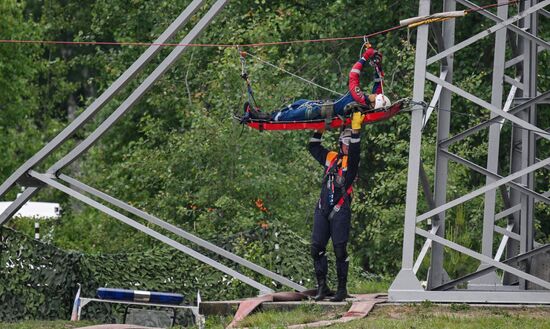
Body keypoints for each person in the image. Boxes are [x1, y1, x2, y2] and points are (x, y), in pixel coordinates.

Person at [247, 47, 391, 122]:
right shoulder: (370, 102)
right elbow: (379, 81)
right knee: (299, 103)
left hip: (322, 111)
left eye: (375, 97)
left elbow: (353, 76)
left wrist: (365, 57)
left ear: (373, 104)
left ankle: (263, 118)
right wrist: (378, 64)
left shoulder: (361, 100)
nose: (374, 94)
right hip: (324, 105)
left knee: (294, 114)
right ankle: (267, 114)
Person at [307, 114, 363, 302]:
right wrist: (320, 128)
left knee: (340, 250)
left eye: (350, 143)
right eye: (345, 143)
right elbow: (313, 147)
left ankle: (341, 289)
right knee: (316, 249)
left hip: (340, 210)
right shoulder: (331, 157)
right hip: (322, 208)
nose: (348, 146)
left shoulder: (352, 163)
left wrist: (356, 131)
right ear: (340, 143)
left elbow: (355, 152)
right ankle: (322, 287)